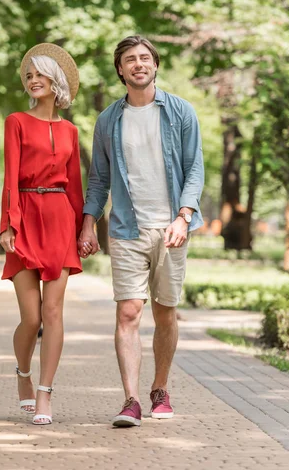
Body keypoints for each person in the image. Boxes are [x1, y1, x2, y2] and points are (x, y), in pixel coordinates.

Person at [78, 35, 204, 427]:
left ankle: (159, 389)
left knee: (166, 313)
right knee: (129, 311)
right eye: (130, 59)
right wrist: (88, 224)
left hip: (171, 229)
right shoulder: (108, 120)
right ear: (120, 69)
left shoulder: (180, 112)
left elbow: (194, 168)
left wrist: (184, 216)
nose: (138, 64)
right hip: (126, 229)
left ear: (155, 64)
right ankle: (130, 399)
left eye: (144, 58)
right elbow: (99, 179)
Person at [0, 43, 88, 426]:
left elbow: (75, 188)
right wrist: (8, 224)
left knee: (53, 312)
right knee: (31, 318)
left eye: (40, 74)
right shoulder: (15, 121)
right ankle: (23, 374)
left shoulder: (70, 130)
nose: (33, 80)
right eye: (29, 75)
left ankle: (45, 393)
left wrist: (86, 226)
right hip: (25, 219)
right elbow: (9, 177)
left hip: (59, 223)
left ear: (57, 82)